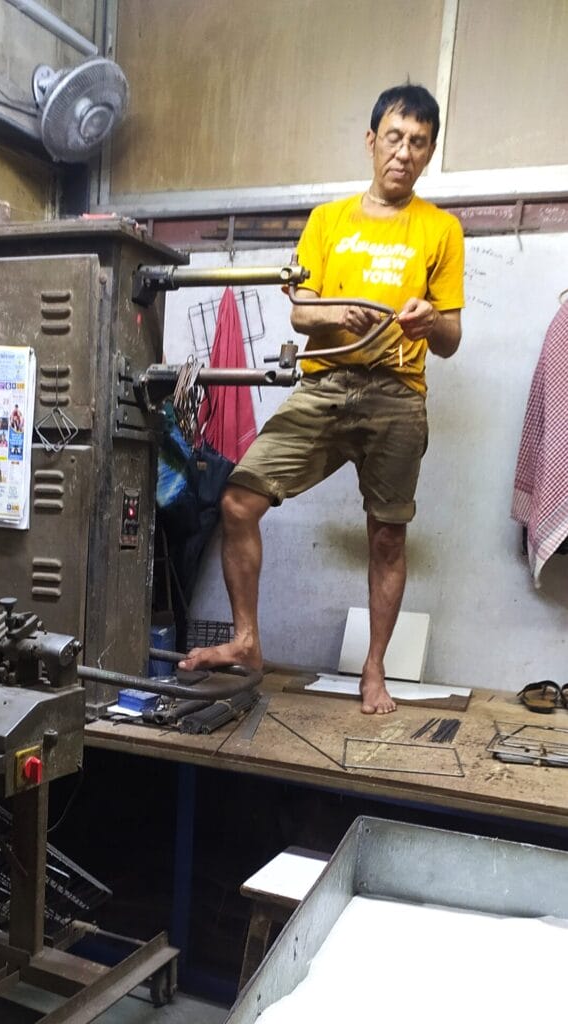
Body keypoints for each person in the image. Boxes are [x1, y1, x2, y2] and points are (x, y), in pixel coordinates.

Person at [179, 83, 465, 714]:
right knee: (237, 499)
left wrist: (426, 322)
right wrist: (348, 312)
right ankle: (247, 641)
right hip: (325, 386)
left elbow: (450, 338)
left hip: (398, 395)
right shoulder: (328, 220)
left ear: (430, 152)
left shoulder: (441, 230)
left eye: (419, 143)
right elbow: (302, 313)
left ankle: (373, 671)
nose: (404, 153)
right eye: (394, 137)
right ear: (372, 141)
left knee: (387, 536)